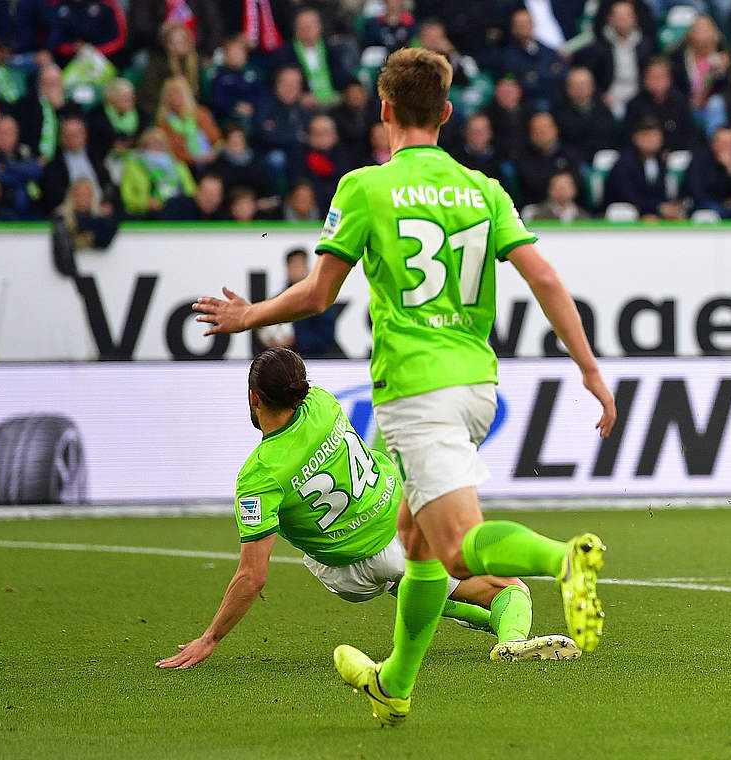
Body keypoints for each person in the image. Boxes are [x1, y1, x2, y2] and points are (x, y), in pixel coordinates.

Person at [192, 48, 616, 726]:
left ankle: (563, 559)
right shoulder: (482, 189)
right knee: (418, 548)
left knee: (454, 544)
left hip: (417, 390)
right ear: (446, 113)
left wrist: (250, 316)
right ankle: (396, 685)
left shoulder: (365, 188)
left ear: (384, 110)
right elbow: (544, 279)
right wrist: (590, 369)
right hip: (478, 384)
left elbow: (318, 294)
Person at [155, 347, 578, 671]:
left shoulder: (258, 477)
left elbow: (253, 576)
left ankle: (471, 617)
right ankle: (513, 637)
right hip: (397, 526)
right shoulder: (322, 402)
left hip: (346, 573)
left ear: (254, 397)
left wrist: (210, 638)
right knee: (509, 588)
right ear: (301, 387)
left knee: (411, 582)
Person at [605, 118, 685, 219]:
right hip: (629, 210)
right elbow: (627, 196)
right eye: (646, 135)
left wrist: (667, 207)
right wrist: (657, 207)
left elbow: (661, 192)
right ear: (635, 138)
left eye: (655, 135)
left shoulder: (659, 160)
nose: (651, 140)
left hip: (653, 209)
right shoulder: (624, 163)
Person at [499, 7, 567, 109]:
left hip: (555, 99)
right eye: (520, 24)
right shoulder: (507, 57)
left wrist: (535, 76)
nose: (524, 27)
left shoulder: (548, 51)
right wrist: (547, 73)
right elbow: (513, 81)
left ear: (533, 25)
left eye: (526, 23)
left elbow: (562, 72)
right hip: (529, 105)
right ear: (513, 28)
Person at [553, 67, 620, 161]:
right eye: (576, 85)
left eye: (584, 84)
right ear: (567, 88)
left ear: (592, 86)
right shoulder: (558, 111)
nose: (580, 88)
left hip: (605, 157)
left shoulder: (604, 106)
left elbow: (613, 134)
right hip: (576, 160)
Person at [686, 126, 731, 219]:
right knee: (714, 210)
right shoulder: (699, 160)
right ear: (713, 143)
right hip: (708, 204)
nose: (725, 147)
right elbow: (696, 192)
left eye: (730, 143)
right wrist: (722, 203)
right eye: (722, 142)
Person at [157, 75, 222, 168]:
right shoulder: (163, 124)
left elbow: (217, 140)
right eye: (170, 94)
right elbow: (172, 153)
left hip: (211, 161)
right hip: (185, 166)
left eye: (177, 93)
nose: (174, 97)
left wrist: (214, 153)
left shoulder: (201, 113)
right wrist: (196, 159)